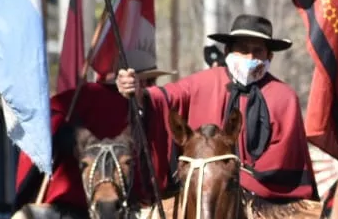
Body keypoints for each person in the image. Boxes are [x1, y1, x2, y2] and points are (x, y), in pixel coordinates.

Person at [116, 14, 317, 202]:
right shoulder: (201, 83)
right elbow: (165, 98)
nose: (250, 58)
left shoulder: (285, 97)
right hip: (201, 191)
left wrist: (239, 178)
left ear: (269, 56)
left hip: (266, 198)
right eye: (243, 49)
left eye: (258, 51)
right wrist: (138, 91)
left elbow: (285, 156)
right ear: (227, 51)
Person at [13, 48, 175, 213]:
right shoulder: (85, 97)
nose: (153, 87)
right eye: (150, 81)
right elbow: (45, 122)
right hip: (75, 204)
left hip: (119, 204)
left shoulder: (148, 108)